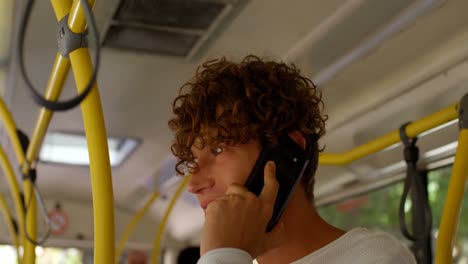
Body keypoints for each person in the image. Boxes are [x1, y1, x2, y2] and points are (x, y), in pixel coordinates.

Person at [168, 55, 416, 264]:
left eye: (219, 149)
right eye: (194, 160)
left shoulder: (374, 258)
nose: (194, 184)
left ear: (285, 151)